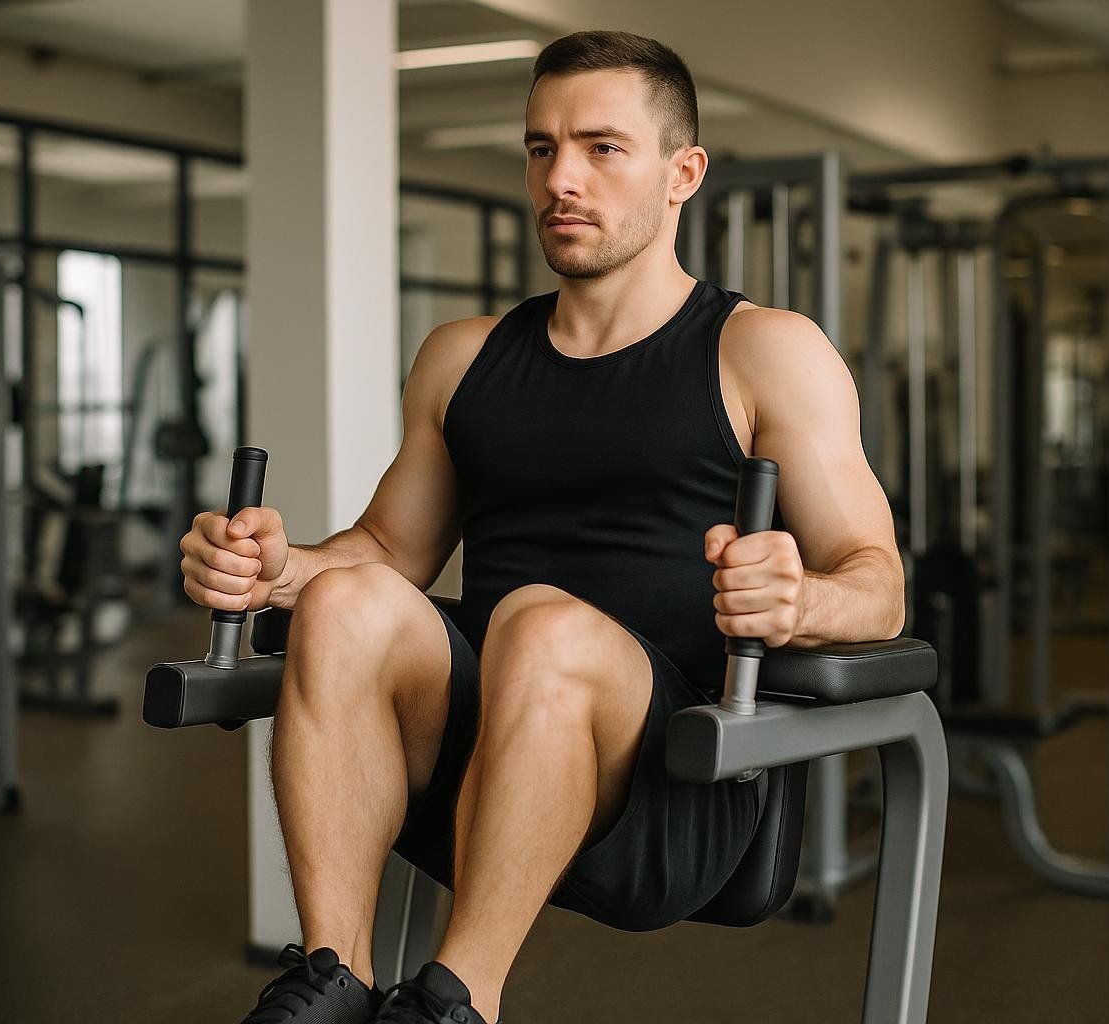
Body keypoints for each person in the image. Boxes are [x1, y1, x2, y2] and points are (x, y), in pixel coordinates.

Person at [179, 29, 903, 1024]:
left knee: (539, 623)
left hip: (672, 787)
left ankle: (456, 1000)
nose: (562, 178)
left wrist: (802, 596)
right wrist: (273, 567)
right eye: (540, 148)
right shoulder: (461, 356)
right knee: (345, 601)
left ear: (681, 172)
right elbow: (389, 552)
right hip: (477, 761)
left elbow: (880, 582)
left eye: (602, 148)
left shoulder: (764, 353)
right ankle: (331, 980)